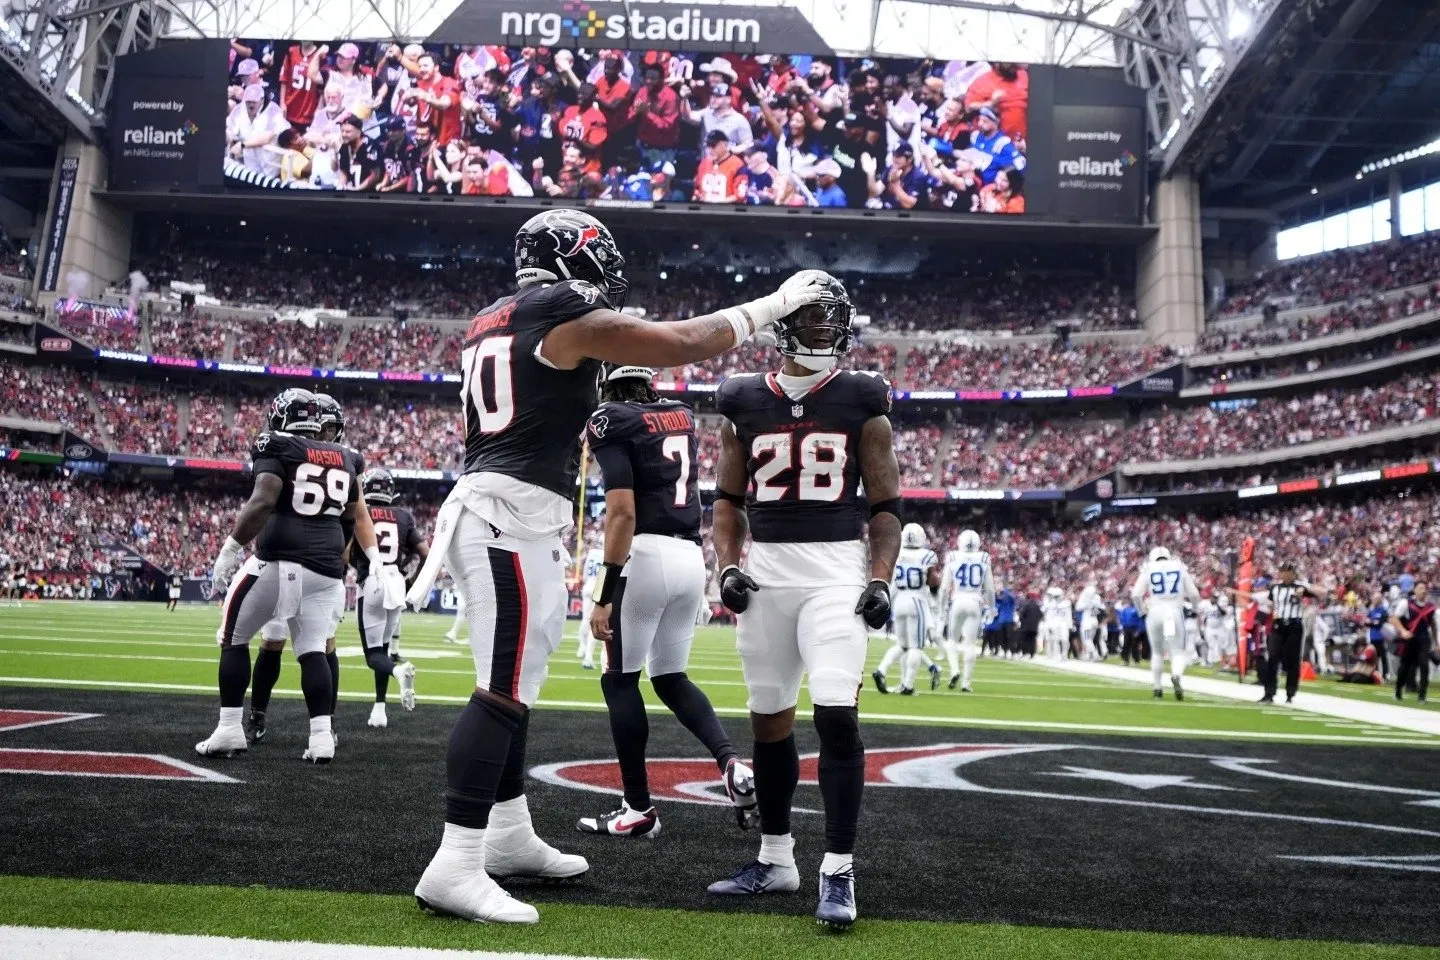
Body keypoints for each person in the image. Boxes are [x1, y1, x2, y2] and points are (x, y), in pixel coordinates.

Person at [401, 209, 830, 925]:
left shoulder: (492, 318)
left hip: (512, 514)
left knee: (514, 686)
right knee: (501, 690)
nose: (607, 278)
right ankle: (456, 862)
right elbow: (680, 343)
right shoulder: (559, 308)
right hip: (506, 517)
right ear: (573, 259)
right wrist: (777, 304)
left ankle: (506, 838)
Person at [707, 270, 901, 930]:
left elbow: (886, 508)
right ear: (784, 324)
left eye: (833, 318)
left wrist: (879, 578)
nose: (827, 330)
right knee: (769, 720)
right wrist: (726, 567)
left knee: (837, 713)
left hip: (834, 573)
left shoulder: (861, 396)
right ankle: (775, 857)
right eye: (814, 317)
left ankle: (839, 871)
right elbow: (728, 504)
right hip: (768, 573)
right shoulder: (739, 399)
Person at [576, 364, 757, 838]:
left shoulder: (608, 418)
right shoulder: (679, 414)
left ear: (607, 386)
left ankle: (638, 807)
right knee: (671, 678)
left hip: (645, 555)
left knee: (618, 681)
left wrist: (604, 593)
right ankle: (732, 764)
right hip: (687, 557)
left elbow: (622, 512)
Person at [197, 388, 380, 764]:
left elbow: (264, 500)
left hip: (278, 560)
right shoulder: (347, 457)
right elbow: (349, 519)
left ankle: (231, 728)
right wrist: (331, 555)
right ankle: (321, 737)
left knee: (233, 637)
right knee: (313, 649)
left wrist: (230, 548)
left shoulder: (276, 445)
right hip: (326, 571)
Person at [245, 393, 360, 744]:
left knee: (318, 645)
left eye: (329, 428)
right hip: (318, 563)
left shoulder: (291, 450)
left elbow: (355, 516)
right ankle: (270, 717)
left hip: (295, 561)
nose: (325, 434)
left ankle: (322, 723)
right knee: (282, 642)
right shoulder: (343, 458)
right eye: (322, 426)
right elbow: (352, 519)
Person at [354, 467, 426, 729]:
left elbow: (348, 551)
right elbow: (425, 552)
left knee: (374, 656)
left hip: (372, 580)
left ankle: (398, 671)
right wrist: (411, 583)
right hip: (395, 581)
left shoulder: (361, 512)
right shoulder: (403, 516)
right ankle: (380, 708)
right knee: (383, 650)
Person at [1236, 562, 1323, 704]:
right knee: (1272, 657)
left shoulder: (1299, 587)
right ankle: (1269, 693)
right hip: (1278, 624)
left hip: (1294, 625)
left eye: (1288, 572)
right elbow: (1270, 606)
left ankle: (1290, 692)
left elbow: (1322, 593)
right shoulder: (1275, 588)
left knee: (1292, 660)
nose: (1285, 575)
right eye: (1283, 572)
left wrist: (1305, 588)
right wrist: (1260, 620)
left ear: (1293, 574)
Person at [875, 523, 940, 696]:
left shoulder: (897, 553)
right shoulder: (927, 555)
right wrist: (934, 592)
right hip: (916, 599)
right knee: (916, 647)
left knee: (902, 645)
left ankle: (881, 670)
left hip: (899, 600)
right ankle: (908, 685)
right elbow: (933, 581)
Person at [1134, 547, 1200, 700]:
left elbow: (1136, 594)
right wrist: (1195, 610)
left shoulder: (1148, 569)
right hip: (1173, 612)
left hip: (1155, 612)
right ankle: (1176, 675)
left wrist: (1142, 612)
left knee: (1157, 652)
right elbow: (1194, 594)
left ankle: (1157, 689)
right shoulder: (1179, 567)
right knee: (1176, 651)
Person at [945, 528, 994, 692]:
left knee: (952, 640)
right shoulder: (984, 557)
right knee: (970, 644)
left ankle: (954, 670)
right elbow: (990, 588)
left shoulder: (953, 556)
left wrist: (940, 606)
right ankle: (966, 682)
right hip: (975, 601)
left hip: (958, 600)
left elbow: (945, 587)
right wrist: (992, 607)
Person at [1389, 580, 1435, 703]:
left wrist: (1437, 641)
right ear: (1414, 590)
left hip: (1424, 639)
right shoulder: (1406, 603)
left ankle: (1422, 695)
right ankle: (1398, 691)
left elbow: (1433, 624)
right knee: (1405, 666)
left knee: (1424, 666)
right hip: (1410, 639)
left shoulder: (1430, 607)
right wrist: (1403, 631)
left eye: (1425, 588)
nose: (1423, 590)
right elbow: (1394, 618)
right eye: (1420, 588)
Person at [575, 540, 606, 669]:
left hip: (589, 584)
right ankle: (588, 657)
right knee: (597, 621)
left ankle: (581, 648)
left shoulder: (592, 553)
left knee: (586, 619)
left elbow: (585, 571)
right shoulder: (605, 552)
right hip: (599, 584)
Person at [1075, 580, 1105, 660]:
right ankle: (1089, 655)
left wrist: (1083, 598)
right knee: (1090, 639)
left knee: (1087, 639)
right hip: (1094, 621)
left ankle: (1095, 655)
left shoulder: (1087, 600)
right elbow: (1098, 609)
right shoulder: (1097, 599)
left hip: (1087, 622)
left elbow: (1078, 607)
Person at [1040, 586, 1071, 660]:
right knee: (1055, 639)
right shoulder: (1051, 604)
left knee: (1064, 639)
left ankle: (1064, 654)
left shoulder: (1066, 603)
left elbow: (1068, 615)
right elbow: (1049, 615)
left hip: (1064, 623)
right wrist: (1050, 625)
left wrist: (1070, 625)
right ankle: (1056, 654)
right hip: (1054, 623)